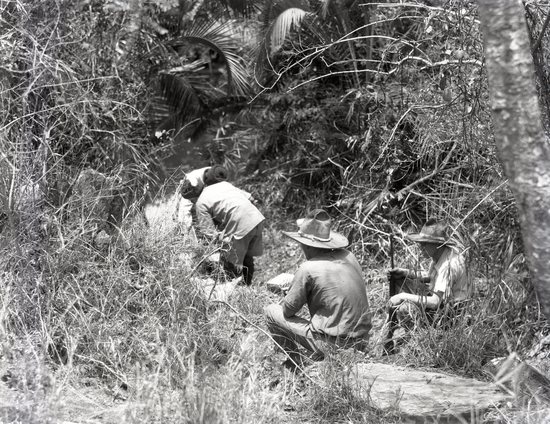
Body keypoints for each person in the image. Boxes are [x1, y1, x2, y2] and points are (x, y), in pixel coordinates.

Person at [264, 209, 372, 370]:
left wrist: (289, 293)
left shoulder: (308, 268)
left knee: (271, 311)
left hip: (332, 344)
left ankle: (294, 364)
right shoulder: (349, 256)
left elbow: (287, 311)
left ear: (307, 245)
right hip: (362, 341)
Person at [385, 218, 473, 352]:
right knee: (401, 279)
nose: (421, 248)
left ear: (437, 245)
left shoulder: (448, 264)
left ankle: (416, 343)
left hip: (453, 314)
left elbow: (435, 302)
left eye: (425, 244)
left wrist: (402, 296)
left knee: (405, 308)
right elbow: (430, 277)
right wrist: (404, 272)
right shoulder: (440, 255)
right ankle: (408, 335)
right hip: (445, 306)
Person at [195, 165, 264, 285]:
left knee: (229, 265)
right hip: (257, 217)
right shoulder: (226, 185)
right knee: (247, 258)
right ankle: (247, 288)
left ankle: (233, 294)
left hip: (238, 221)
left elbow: (208, 233)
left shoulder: (201, 201)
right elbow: (252, 199)